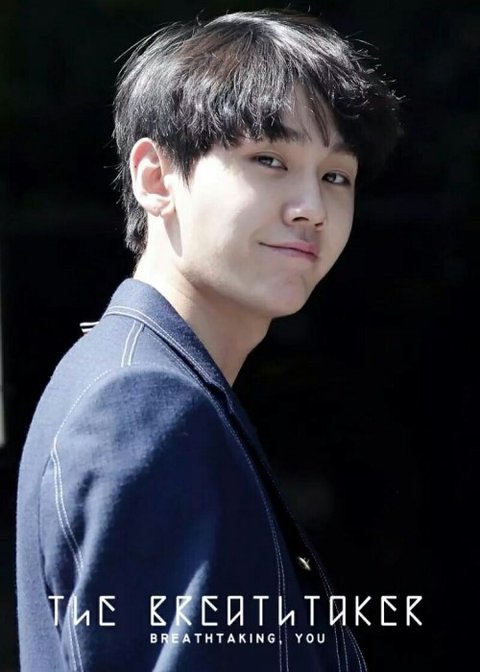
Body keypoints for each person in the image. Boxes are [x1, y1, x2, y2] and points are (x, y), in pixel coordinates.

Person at [16, 9, 402, 671]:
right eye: (269, 159)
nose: (312, 207)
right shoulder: (141, 405)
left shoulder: (141, 376)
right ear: (156, 178)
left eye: (336, 175)